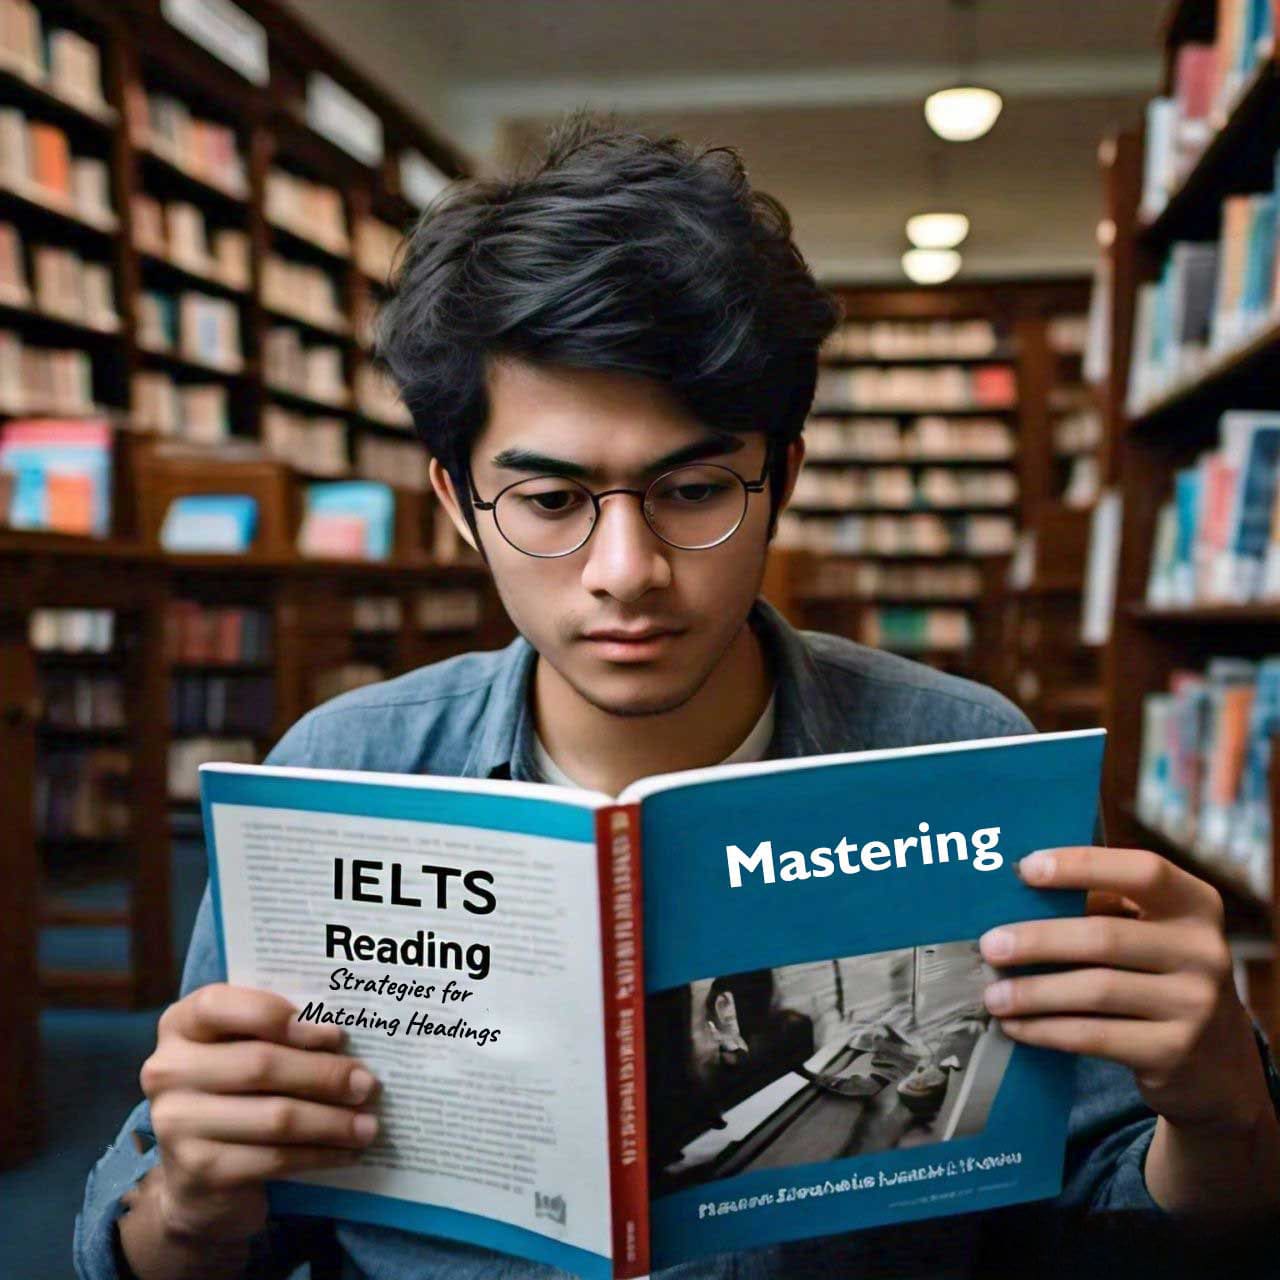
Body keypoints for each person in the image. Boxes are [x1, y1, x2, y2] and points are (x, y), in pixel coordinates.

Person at [77, 118, 1280, 1280]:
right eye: (548, 503)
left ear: (780, 476)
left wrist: (1221, 1113)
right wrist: (185, 1205)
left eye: (694, 487)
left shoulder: (961, 751)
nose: (625, 571)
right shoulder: (334, 776)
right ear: (454, 501)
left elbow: (1107, 1221)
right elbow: (186, 1225)